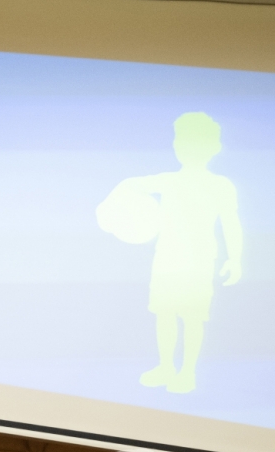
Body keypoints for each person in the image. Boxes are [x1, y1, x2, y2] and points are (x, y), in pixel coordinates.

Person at [97, 112, 242, 394]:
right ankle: (166, 366)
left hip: (199, 262)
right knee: (164, 314)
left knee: (192, 318)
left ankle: (187, 371)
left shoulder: (221, 185)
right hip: (167, 260)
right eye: (180, 141)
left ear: (213, 147)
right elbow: (131, 185)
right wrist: (111, 208)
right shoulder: (168, 180)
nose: (183, 147)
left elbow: (231, 222)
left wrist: (234, 259)